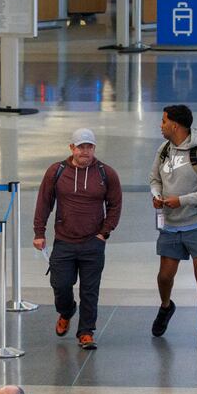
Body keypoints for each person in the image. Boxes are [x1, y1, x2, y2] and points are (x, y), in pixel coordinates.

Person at [33, 128, 123, 351]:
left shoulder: (106, 173)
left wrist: (104, 233)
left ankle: (86, 332)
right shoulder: (57, 171)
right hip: (64, 242)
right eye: (80, 146)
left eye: (89, 147)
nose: (85, 151)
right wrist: (39, 232)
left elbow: (115, 205)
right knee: (60, 285)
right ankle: (66, 310)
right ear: (71, 148)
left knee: (90, 290)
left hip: (93, 243)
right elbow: (44, 202)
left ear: (94, 148)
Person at [149, 104, 197, 352]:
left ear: (175, 125)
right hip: (170, 223)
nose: (161, 125)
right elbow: (154, 178)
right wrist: (157, 194)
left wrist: (181, 200)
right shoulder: (163, 150)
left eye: (163, 121)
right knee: (164, 276)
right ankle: (166, 305)